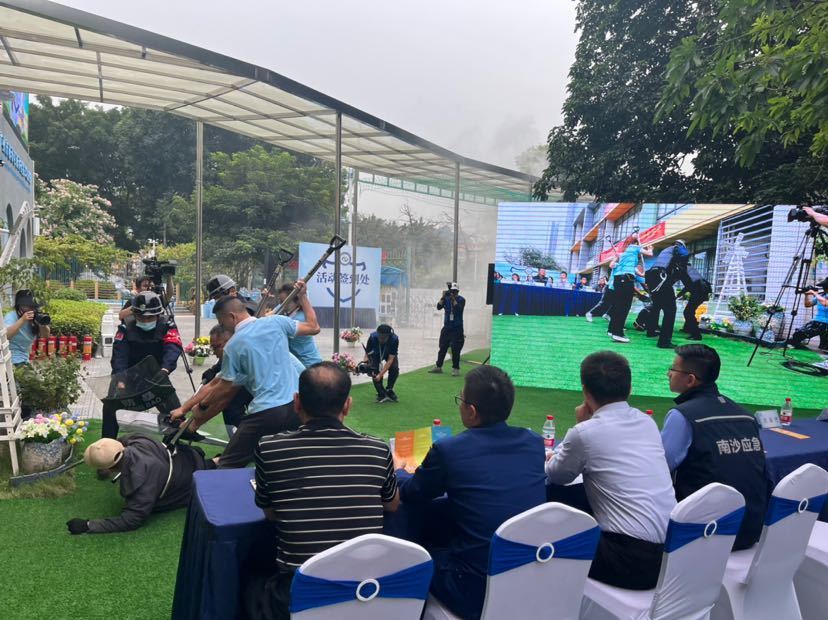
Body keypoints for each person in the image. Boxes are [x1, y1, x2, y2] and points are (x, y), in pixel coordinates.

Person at [245, 362, 399, 620]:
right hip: (363, 591)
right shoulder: (377, 449)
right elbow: (392, 504)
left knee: (250, 581)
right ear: (347, 405)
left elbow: (270, 513)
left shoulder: (270, 448)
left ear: (297, 402)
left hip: (297, 593)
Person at [392, 366, 546, 618]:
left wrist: (400, 471)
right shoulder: (534, 442)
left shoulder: (450, 450)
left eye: (461, 400)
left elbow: (412, 493)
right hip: (532, 575)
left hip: (473, 587)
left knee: (410, 556)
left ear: (472, 412)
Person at [545, 351, 676, 590]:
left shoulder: (585, 432)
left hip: (630, 559)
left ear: (585, 392)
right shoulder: (646, 422)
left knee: (547, 531)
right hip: (673, 551)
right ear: (629, 388)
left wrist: (581, 424)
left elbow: (557, 474)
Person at [172, 282, 319, 468]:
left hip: (267, 412)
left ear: (231, 317)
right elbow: (314, 326)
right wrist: (303, 296)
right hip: (296, 408)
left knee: (227, 463)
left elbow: (223, 389)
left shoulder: (234, 345)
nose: (222, 326)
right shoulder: (276, 322)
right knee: (283, 460)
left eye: (221, 322)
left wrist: (200, 407)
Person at [661, 344, 768, 550]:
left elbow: (660, 467)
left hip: (702, 536)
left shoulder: (683, 416)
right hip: (749, 531)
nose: (669, 374)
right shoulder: (746, 416)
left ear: (690, 380)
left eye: (672, 369)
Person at [66, 435, 213, 535]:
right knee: (209, 464)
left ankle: (215, 464)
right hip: (186, 458)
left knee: (214, 472)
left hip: (190, 483)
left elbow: (132, 520)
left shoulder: (140, 482)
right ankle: (213, 462)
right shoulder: (137, 439)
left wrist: (88, 525)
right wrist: (106, 459)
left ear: (111, 468)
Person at [103, 291, 182, 440]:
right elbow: (119, 355)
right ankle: (107, 444)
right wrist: (119, 378)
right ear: (134, 314)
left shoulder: (168, 325)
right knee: (110, 409)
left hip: (158, 375)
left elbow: (173, 347)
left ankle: (172, 445)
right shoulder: (125, 327)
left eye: (150, 317)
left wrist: (165, 369)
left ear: (158, 315)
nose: (146, 320)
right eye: (141, 317)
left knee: (176, 414)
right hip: (128, 375)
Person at [201, 324, 253, 437]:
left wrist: (201, 406)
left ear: (230, 341)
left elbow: (222, 388)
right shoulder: (231, 352)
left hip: (270, 395)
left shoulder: (241, 350)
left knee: (230, 402)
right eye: (212, 348)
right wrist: (213, 370)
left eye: (216, 347)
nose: (214, 352)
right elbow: (221, 368)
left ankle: (240, 439)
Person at [645, 240, 690, 349]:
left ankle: (651, 331)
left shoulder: (666, 251)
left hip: (652, 277)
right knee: (670, 310)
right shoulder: (678, 248)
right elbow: (685, 255)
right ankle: (664, 342)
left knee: (656, 306)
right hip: (661, 278)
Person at [608, 237, 653, 342]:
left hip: (618, 280)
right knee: (624, 307)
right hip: (626, 280)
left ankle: (612, 330)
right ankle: (618, 333)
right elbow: (650, 254)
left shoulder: (623, 254)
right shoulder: (635, 247)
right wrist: (650, 248)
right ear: (635, 243)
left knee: (618, 306)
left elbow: (612, 266)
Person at [275, 283, 322, 367]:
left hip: (309, 363)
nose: (281, 305)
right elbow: (264, 317)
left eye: (284, 302)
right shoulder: (284, 308)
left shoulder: (299, 318)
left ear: (297, 302)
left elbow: (315, 328)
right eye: (280, 301)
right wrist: (264, 299)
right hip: (297, 363)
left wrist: (302, 295)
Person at [4, 289, 49, 367]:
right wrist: (22, 320)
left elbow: (46, 336)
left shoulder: (35, 318)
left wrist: (43, 323)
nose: (31, 309)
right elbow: (6, 336)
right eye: (27, 306)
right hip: (10, 359)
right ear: (19, 306)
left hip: (24, 358)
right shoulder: (11, 316)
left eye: (34, 307)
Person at [428, 282, 465, 376]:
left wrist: (453, 299)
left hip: (457, 328)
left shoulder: (461, 299)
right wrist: (443, 297)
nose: (453, 293)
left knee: (455, 349)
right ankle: (438, 366)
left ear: (458, 291)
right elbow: (438, 307)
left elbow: (459, 309)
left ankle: (455, 368)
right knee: (442, 347)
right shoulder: (446, 299)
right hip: (447, 327)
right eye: (452, 291)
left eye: (455, 291)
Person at [362, 324, 400, 403]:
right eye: (379, 336)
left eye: (383, 337)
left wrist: (381, 374)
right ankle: (381, 393)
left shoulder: (394, 339)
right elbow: (367, 352)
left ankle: (389, 389)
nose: (381, 339)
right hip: (376, 354)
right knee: (374, 371)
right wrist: (366, 362)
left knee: (394, 368)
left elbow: (390, 360)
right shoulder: (372, 337)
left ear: (389, 336)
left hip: (389, 354)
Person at [790, 279, 828, 350]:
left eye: (825, 287)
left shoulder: (819, 296)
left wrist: (814, 293)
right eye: (824, 287)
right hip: (817, 322)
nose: (824, 289)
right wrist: (806, 295)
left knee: (825, 348)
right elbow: (807, 304)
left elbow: (825, 303)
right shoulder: (821, 295)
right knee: (797, 334)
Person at [678, 265, 712, 340]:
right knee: (690, 311)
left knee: (688, 312)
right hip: (701, 290)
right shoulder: (687, 267)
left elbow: (688, 286)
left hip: (699, 291)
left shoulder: (682, 269)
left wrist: (677, 295)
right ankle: (687, 328)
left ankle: (696, 335)